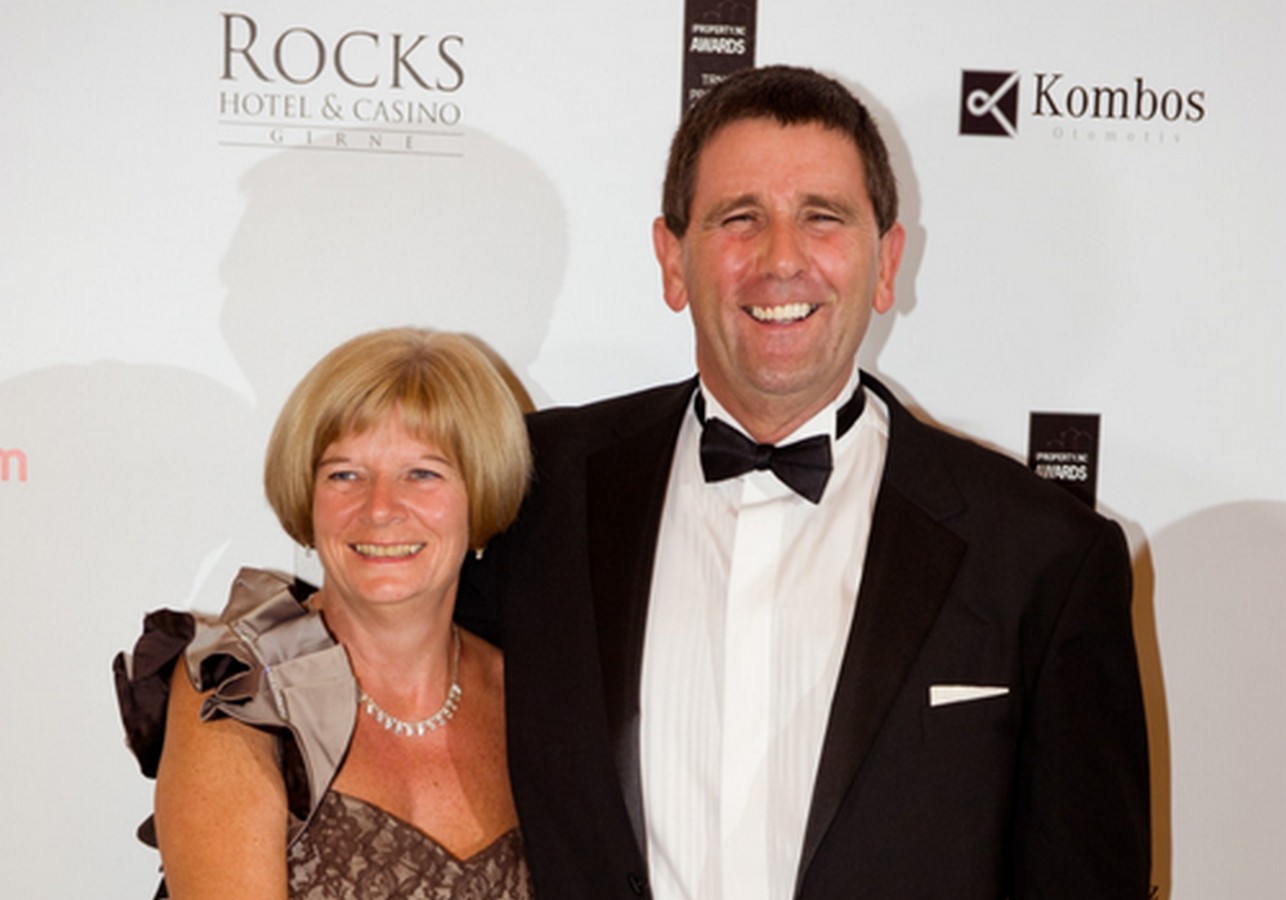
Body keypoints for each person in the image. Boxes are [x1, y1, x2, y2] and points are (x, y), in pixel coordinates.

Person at [457, 65, 1151, 898]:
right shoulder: (531, 492)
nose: (781, 258)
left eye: (823, 218)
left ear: (886, 263)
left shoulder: (1041, 557)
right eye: (739, 218)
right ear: (672, 260)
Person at [115, 328, 534, 899]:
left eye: (422, 473)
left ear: (480, 491)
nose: (380, 508)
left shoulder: (537, 698)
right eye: (345, 475)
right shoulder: (242, 691)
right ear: (307, 497)